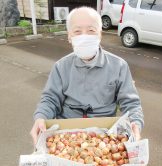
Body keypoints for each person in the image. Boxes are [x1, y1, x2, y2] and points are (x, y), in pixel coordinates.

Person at [30, 7, 144, 145]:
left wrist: (135, 123)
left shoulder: (119, 66)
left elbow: (131, 103)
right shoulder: (61, 67)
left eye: (91, 30)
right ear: (69, 36)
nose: (84, 37)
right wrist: (41, 117)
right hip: (65, 134)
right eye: (77, 31)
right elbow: (50, 99)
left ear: (100, 35)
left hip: (104, 135)